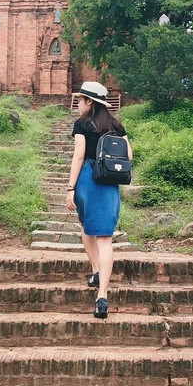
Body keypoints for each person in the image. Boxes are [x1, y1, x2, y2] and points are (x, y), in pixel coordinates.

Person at [65, 81, 132, 319]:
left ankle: (95, 269)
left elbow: (79, 155)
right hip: (109, 182)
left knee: (86, 228)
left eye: (81, 100)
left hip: (87, 179)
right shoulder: (116, 124)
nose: (78, 104)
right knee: (105, 238)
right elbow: (129, 155)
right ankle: (102, 296)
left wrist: (70, 187)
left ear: (89, 102)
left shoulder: (82, 124)